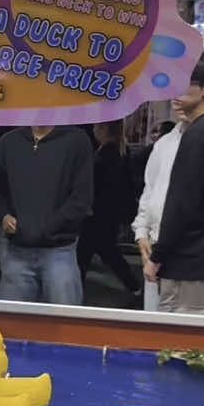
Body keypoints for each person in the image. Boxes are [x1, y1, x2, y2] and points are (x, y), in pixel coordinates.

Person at [149, 55, 204, 316]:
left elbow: (182, 204)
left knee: (179, 337)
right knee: (203, 335)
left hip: (190, 262)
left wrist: (157, 256)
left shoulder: (198, 134)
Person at [0, 124, 93, 305]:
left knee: (64, 320)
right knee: (11, 320)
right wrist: (4, 215)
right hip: (16, 252)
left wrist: (48, 226)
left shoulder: (77, 141)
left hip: (60, 251)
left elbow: (82, 198)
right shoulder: (7, 143)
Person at [78, 121, 139, 298]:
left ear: (104, 129)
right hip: (108, 214)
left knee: (91, 253)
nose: (94, 130)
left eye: (97, 127)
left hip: (98, 214)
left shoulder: (107, 155)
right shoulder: (119, 152)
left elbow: (99, 186)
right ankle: (134, 286)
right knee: (104, 252)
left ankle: (134, 286)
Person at [133, 117, 186, 311]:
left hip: (190, 248)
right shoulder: (165, 143)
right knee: (154, 312)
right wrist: (141, 231)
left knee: (185, 317)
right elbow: (150, 190)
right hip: (156, 240)